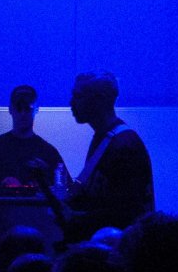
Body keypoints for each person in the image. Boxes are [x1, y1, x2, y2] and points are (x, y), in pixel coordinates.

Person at [62, 72, 153, 240]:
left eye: (78, 96)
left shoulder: (123, 146)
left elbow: (126, 212)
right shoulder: (110, 139)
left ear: (100, 99)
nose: (71, 103)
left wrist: (77, 218)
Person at [0, 84, 66, 192]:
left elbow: (65, 189)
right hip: (2, 208)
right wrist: (2, 187)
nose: (23, 113)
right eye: (19, 108)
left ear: (36, 109)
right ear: (10, 110)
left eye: (27, 108)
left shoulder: (49, 152)